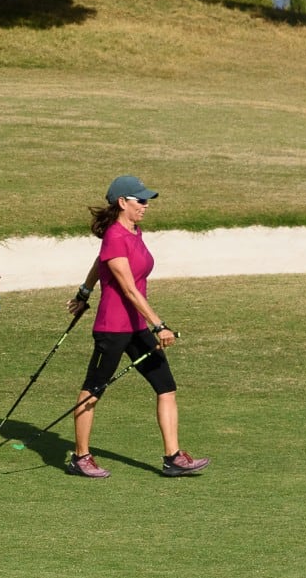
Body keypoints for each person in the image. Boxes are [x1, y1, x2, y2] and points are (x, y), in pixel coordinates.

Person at [64, 176, 209, 479]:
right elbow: (128, 289)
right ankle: (81, 457)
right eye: (140, 200)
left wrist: (84, 291)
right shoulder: (115, 236)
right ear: (122, 203)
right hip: (113, 329)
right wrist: (159, 325)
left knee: (166, 387)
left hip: (135, 325)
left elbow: (100, 261)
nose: (146, 205)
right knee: (92, 390)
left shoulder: (132, 232)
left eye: (146, 200)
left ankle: (173, 458)